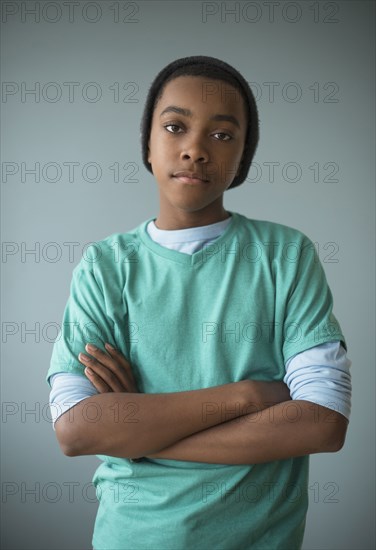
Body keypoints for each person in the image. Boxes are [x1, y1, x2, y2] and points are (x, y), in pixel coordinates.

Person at [47, 55, 352, 550]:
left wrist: (138, 431)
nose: (194, 149)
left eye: (222, 135)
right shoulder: (104, 266)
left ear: (243, 157)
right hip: (132, 537)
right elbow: (77, 431)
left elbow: (323, 421)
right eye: (174, 127)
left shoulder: (285, 255)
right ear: (147, 141)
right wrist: (249, 397)